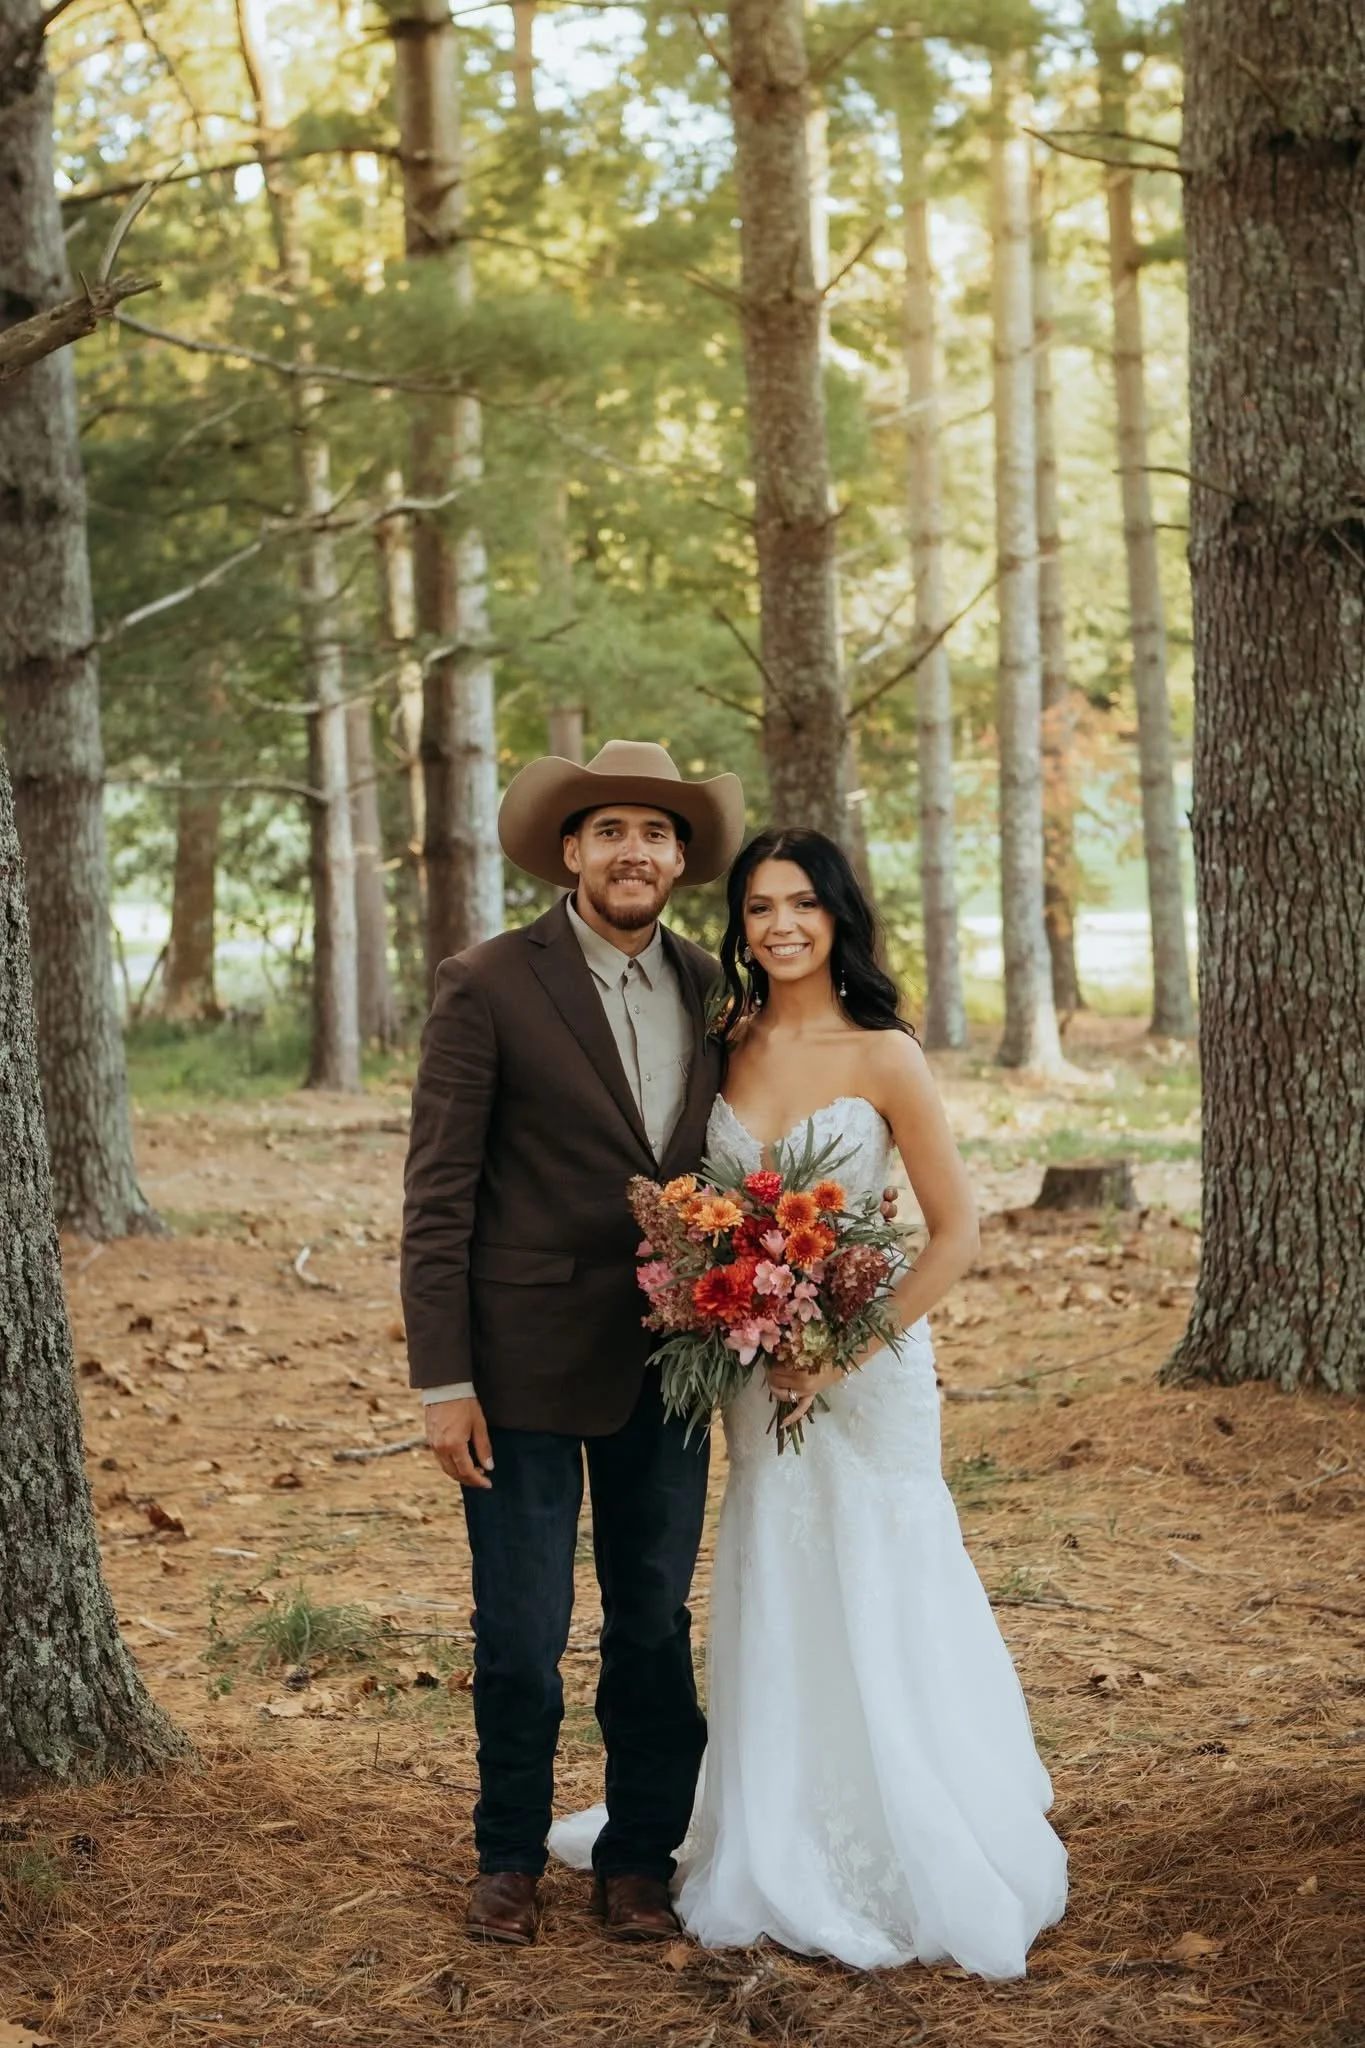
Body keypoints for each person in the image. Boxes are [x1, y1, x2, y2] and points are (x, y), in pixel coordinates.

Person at [551, 827, 1068, 1978]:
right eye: (758, 908)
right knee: (777, 1561)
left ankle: (914, 1825)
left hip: (869, 1367)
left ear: (839, 915)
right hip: (754, 1362)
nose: (779, 925)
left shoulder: (884, 1052)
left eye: (802, 904)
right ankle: (772, 1824)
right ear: (737, 926)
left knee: (880, 1556)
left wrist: (846, 1346)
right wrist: (728, 1295)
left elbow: (958, 1231)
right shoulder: (722, 1044)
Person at [400, 739, 741, 1947]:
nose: (633, 850)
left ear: (681, 858)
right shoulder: (487, 981)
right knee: (524, 1631)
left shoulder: (718, 988)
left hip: (673, 1362)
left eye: (656, 831)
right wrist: (444, 1380)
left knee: (652, 1622)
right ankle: (507, 1853)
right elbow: (438, 1197)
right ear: (569, 851)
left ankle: (641, 1856)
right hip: (521, 1366)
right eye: (609, 830)